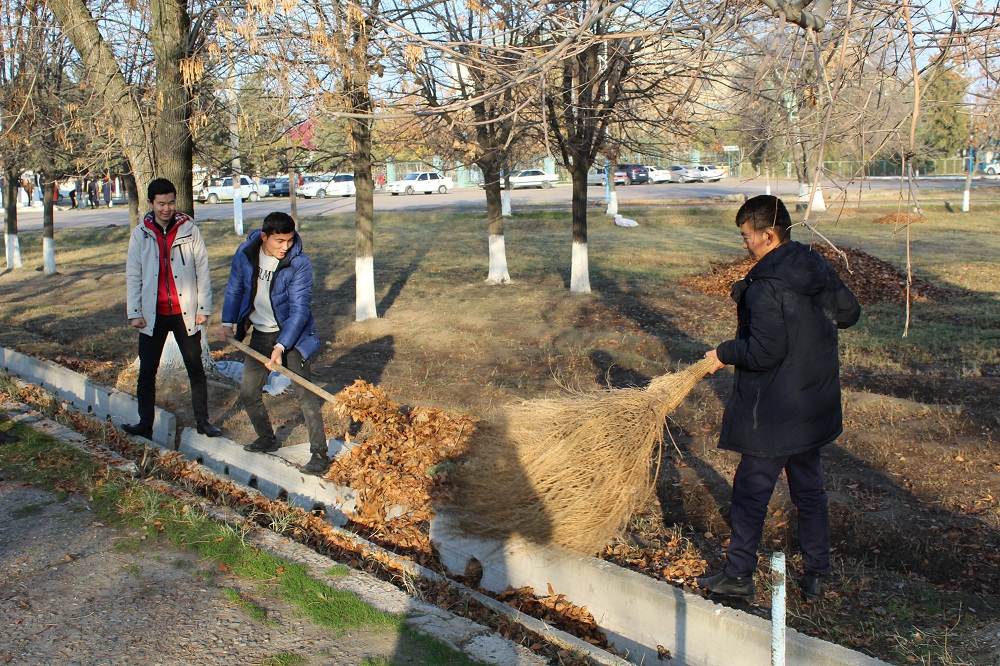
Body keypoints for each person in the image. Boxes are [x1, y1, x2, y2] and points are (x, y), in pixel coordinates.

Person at [696, 195, 860, 602]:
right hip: (812, 405)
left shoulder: (764, 287)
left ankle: (738, 576)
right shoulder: (814, 265)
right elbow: (848, 313)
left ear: (768, 234)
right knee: (810, 489)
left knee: (751, 490)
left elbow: (765, 351)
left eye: (746, 236)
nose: (744, 244)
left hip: (774, 410)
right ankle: (817, 575)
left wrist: (724, 352)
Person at [217, 211, 329, 476]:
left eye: (289, 241)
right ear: (265, 237)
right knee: (248, 391)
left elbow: (300, 311)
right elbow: (235, 288)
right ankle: (267, 438)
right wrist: (227, 322)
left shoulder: (299, 264)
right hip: (261, 333)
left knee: (305, 393)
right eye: (279, 241)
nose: (285, 247)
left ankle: (319, 453)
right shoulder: (246, 254)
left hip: (293, 335)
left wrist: (281, 347)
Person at [123, 178, 221, 439]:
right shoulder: (140, 233)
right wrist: (135, 312)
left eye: (171, 202)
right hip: (152, 315)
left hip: (184, 313)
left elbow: (203, 269)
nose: (166, 209)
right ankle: (145, 423)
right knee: (147, 372)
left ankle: (203, 421)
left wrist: (203, 307)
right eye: (161, 203)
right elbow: (133, 274)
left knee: (196, 369)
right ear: (152, 203)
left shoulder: (189, 230)